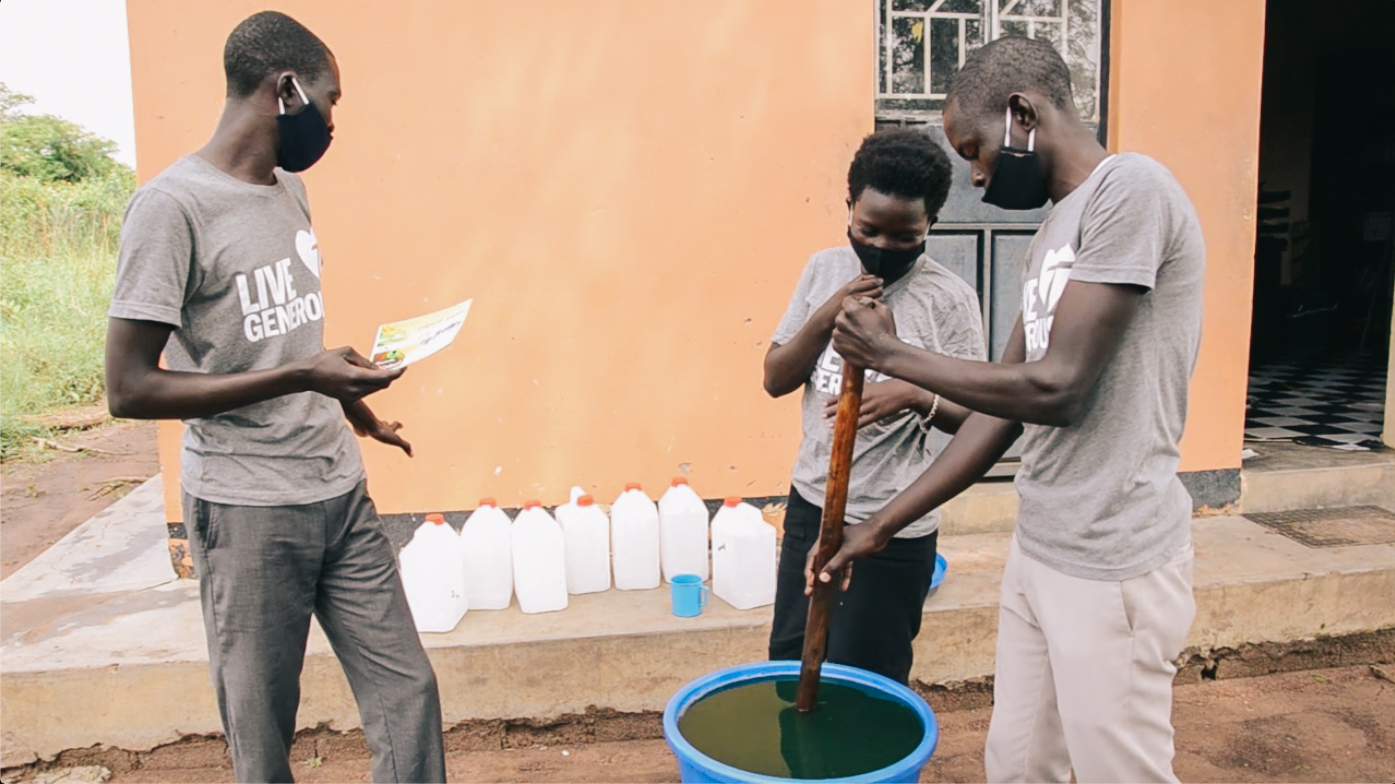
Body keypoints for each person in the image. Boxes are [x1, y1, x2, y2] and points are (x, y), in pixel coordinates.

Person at [815, 36, 1205, 783]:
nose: (974, 174)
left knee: (1117, 770)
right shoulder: (1052, 233)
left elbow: (1057, 388)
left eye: (976, 148)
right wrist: (878, 526)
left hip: (1112, 554)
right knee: (1020, 764)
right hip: (1042, 543)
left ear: (1022, 113)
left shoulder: (1134, 190)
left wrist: (892, 355)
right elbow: (1001, 410)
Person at [104, 12, 445, 783]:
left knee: (407, 692)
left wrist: (359, 410)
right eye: (330, 100)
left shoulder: (288, 190)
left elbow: (292, 343)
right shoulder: (171, 209)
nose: (332, 121)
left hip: (337, 493)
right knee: (261, 726)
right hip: (248, 508)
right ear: (284, 90)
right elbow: (128, 387)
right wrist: (302, 377)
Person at [763, 129, 986, 685]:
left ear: (931, 224)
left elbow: (982, 418)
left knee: (869, 679)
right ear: (849, 211)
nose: (882, 246)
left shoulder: (949, 299)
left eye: (904, 235)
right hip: (812, 504)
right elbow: (775, 377)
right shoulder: (822, 271)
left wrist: (914, 393)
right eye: (868, 230)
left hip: (894, 525)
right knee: (793, 665)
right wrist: (829, 313)